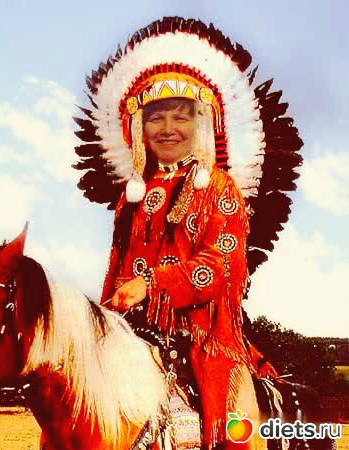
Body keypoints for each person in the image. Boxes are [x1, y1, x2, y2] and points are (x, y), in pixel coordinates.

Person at [73, 17, 303, 450]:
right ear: (138, 130)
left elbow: (222, 267)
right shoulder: (131, 198)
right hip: (130, 331)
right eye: (156, 118)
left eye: (181, 117)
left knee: (228, 427)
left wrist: (152, 283)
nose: (168, 129)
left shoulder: (219, 188)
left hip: (203, 334)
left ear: (201, 125)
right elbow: (115, 272)